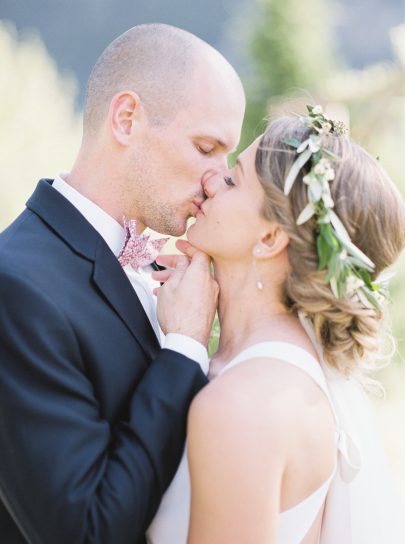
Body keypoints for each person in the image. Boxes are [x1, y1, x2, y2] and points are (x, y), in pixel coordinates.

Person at [0, 24, 245, 543]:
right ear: (127, 118)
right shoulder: (15, 286)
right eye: (205, 147)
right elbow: (86, 530)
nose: (214, 180)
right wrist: (182, 348)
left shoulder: (167, 273)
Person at [148, 106, 405, 543]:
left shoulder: (245, 404)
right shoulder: (267, 373)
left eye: (232, 180)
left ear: (270, 238)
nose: (211, 178)